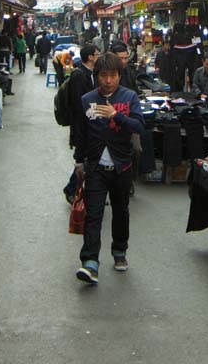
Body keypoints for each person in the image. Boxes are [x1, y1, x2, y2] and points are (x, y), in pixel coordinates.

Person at [73, 52, 145, 285]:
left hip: (122, 166)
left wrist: (117, 115)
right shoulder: (87, 100)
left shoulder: (129, 97)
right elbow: (80, 133)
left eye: (112, 75)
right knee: (93, 215)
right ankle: (90, 263)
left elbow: (139, 126)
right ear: (97, 77)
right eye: (103, 75)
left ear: (119, 76)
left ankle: (119, 251)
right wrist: (78, 161)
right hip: (95, 167)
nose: (108, 80)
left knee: (120, 211)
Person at [63, 44, 99, 203]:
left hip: (90, 122)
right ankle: (71, 189)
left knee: (87, 158)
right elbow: (78, 104)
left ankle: (83, 189)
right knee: (82, 159)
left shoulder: (91, 73)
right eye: (97, 54)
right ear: (90, 57)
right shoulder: (79, 75)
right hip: (81, 124)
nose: (98, 57)